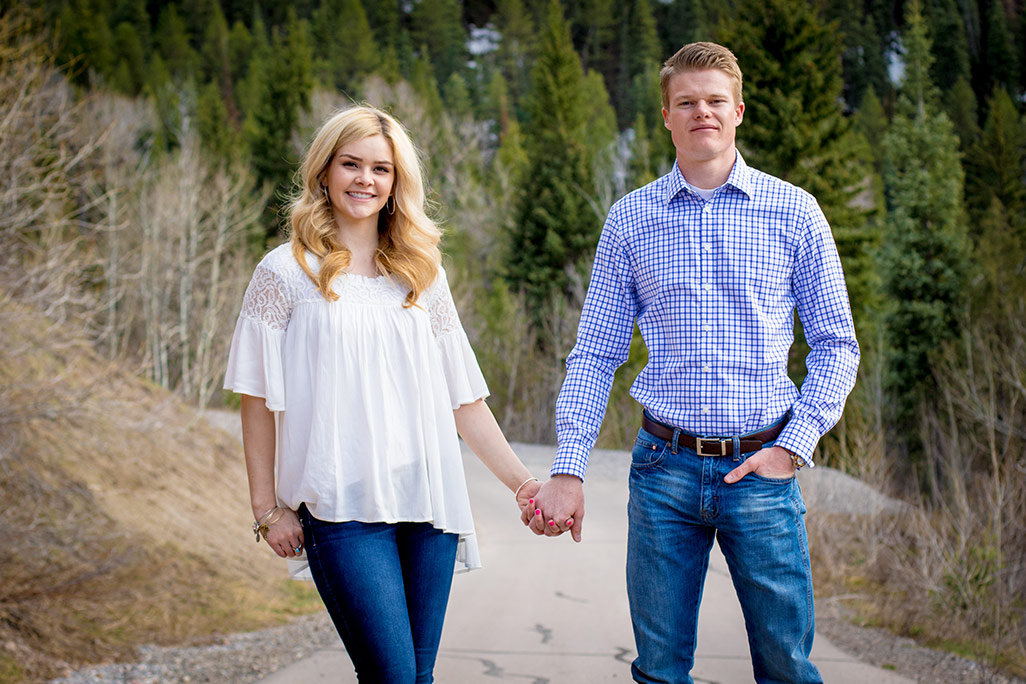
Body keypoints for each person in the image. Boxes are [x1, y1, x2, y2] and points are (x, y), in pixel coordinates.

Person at [525, 42, 860, 683]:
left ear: (737, 110)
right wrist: (568, 469)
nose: (700, 111)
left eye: (713, 101)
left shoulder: (794, 211)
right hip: (662, 472)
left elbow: (837, 345)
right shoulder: (630, 219)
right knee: (659, 670)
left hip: (762, 470)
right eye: (686, 102)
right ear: (666, 115)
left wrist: (795, 446)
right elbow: (596, 353)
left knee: (787, 667)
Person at [224, 105, 542, 683]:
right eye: (351, 164)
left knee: (416, 679)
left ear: (397, 184)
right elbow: (256, 399)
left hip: (428, 504)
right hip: (341, 509)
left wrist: (524, 484)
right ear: (324, 171)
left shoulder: (422, 273)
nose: (365, 180)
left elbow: (463, 400)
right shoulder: (285, 273)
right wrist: (266, 509)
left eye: (381, 169)